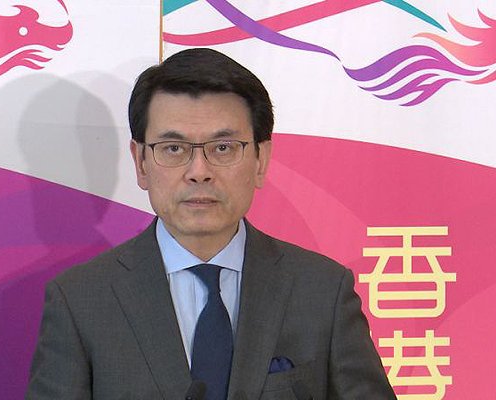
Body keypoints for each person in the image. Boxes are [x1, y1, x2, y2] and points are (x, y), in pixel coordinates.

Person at [26, 48, 396, 400]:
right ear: (141, 163)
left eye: (223, 148)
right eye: (174, 148)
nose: (199, 172)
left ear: (260, 160)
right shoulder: (80, 301)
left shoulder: (323, 292)